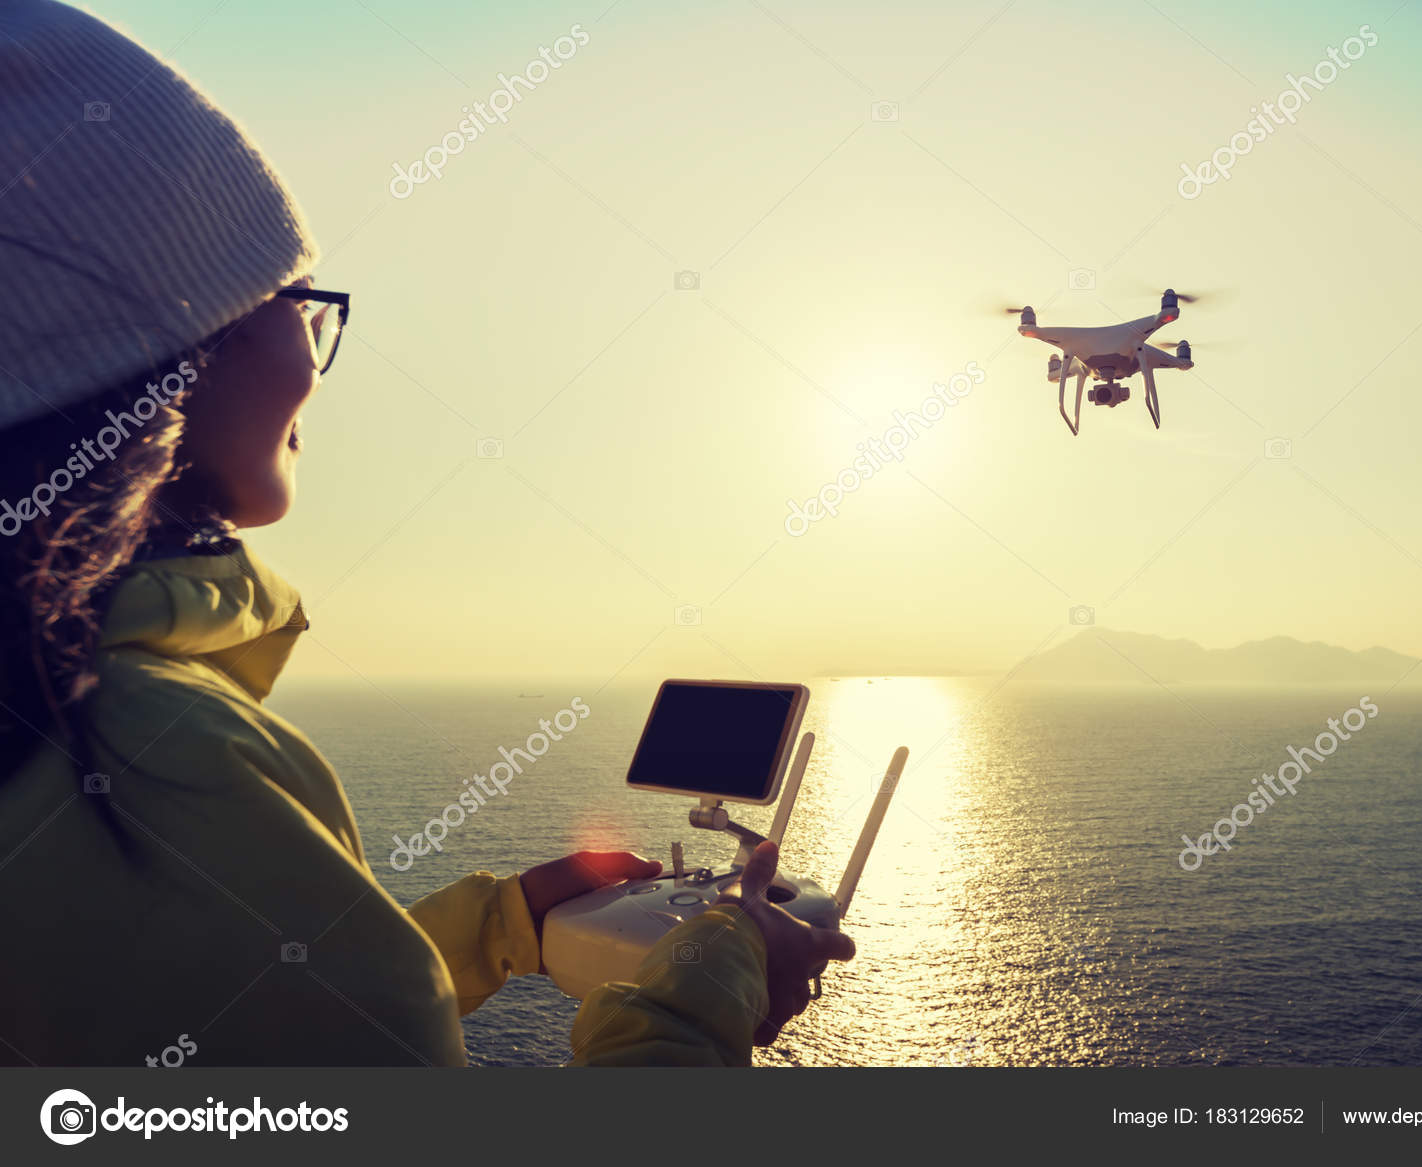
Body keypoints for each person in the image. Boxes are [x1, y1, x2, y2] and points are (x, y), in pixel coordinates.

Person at [0, 0, 852, 1067]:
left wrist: (502, 929)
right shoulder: (141, 763)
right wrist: (701, 999)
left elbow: (228, 1022)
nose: (316, 356)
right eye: (292, 298)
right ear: (172, 348)